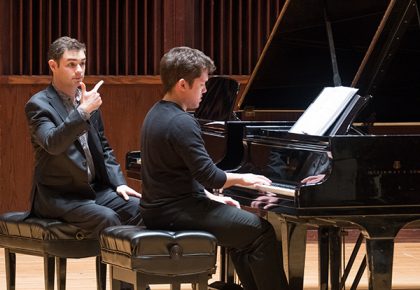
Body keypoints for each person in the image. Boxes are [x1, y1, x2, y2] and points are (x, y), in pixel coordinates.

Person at [140, 46, 289, 290]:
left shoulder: (155, 113)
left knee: (245, 234)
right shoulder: (182, 122)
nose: (206, 90)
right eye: (201, 84)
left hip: (160, 210)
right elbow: (210, 175)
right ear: (182, 85)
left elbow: (180, 175)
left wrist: (210, 198)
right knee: (262, 233)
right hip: (177, 214)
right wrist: (245, 178)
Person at [25, 36, 143, 239]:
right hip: (59, 196)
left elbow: (103, 147)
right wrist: (82, 112)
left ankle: (133, 271)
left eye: (82, 63)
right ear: (53, 66)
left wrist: (119, 183)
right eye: (71, 64)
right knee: (107, 218)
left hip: (94, 190)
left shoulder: (86, 100)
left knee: (142, 208)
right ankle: (109, 268)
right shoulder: (39, 105)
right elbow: (52, 143)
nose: (79, 70)